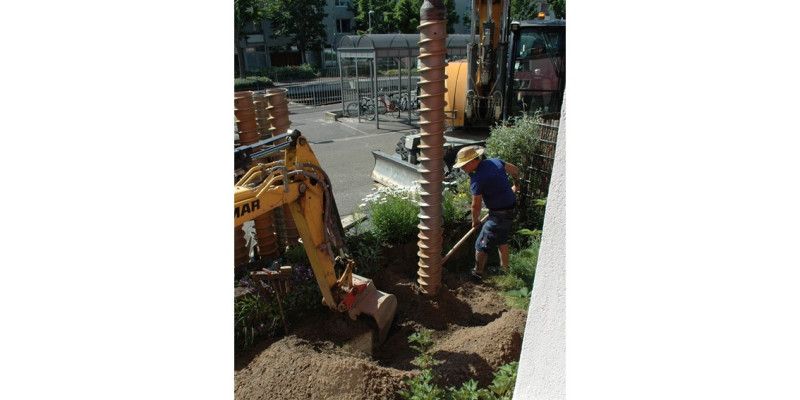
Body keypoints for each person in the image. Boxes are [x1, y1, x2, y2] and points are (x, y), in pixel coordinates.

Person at [453, 146, 520, 281]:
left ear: (472, 161)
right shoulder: (495, 162)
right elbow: (516, 171)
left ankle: (477, 274)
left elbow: (476, 205)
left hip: (498, 216)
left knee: (481, 244)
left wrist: (475, 221)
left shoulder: (477, 179)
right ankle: (504, 270)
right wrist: (516, 186)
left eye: (464, 165)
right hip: (511, 211)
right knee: (502, 239)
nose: (462, 169)